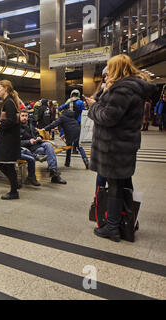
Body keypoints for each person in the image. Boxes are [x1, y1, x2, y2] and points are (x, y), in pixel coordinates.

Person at [85, 54, 156, 242]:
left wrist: (93, 108)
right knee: (123, 184)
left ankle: (113, 227)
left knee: (115, 185)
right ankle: (129, 218)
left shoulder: (123, 89)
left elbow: (109, 117)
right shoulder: (130, 88)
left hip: (114, 146)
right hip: (123, 144)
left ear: (116, 68)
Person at [20, 110, 67, 184]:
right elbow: (16, 142)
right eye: (22, 116)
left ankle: (53, 171)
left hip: (36, 145)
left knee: (48, 145)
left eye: (26, 116)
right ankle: (54, 176)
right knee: (49, 151)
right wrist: (29, 141)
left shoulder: (30, 123)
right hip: (27, 149)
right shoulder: (17, 127)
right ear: (19, 116)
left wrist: (39, 137)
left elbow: (37, 133)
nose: (24, 118)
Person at [0, 80, 22, 200]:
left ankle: (14, 190)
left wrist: (0, 124)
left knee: (5, 164)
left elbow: (11, 120)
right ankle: (14, 183)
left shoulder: (9, 102)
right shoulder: (8, 101)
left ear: (5, 88)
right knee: (1, 162)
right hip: (7, 137)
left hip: (8, 139)